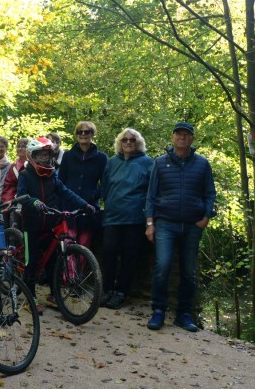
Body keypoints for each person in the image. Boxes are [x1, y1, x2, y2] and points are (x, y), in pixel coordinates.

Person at [145, 122, 217, 332]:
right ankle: (158, 312)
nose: (182, 138)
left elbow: (210, 193)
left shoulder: (202, 164)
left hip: (193, 225)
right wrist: (150, 223)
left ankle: (183, 315)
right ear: (173, 137)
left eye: (187, 135)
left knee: (188, 272)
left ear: (192, 139)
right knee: (163, 266)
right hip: (165, 223)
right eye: (179, 134)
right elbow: (151, 195)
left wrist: (206, 216)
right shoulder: (160, 162)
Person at [17, 137, 94, 315]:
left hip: (51, 224)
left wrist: (84, 205)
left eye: (47, 155)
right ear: (32, 156)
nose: (44, 159)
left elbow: (65, 192)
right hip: (32, 225)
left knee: (53, 261)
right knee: (32, 261)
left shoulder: (52, 175)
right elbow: (21, 195)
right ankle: (30, 297)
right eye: (40, 155)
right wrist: (33, 201)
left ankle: (54, 295)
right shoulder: (25, 175)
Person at [99, 128, 154, 309]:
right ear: (120, 143)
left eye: (132, 140)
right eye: (125, 140)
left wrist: (149, 219)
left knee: (130, 256)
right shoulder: (112, 162)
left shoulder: (147, 163)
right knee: (109, 252)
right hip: (113, 216)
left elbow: (152, 191)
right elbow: (105, 187)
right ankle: (107, 290)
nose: (128, 142)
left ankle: (121, 292)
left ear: (138, 143)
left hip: (134, 217)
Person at [58, 121, 107, 252]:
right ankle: (69, 273)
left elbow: (105, 185)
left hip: (89, 208)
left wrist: (93, 195)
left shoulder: (101, 158)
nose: (83, 134)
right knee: (68, 247)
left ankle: (81, 273)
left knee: (84, 248)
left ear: (92, 134)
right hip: (69, 208)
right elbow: (60, 181)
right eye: (80, 132)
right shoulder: (68, 156)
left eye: (87, 132)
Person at [0, 137, 28, 228]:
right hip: (13, 199)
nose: (20, 148)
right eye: (18, 146)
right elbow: (8, 184)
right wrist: (8, 199)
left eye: (23, 146)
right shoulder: (13, 166)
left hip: (27, 198)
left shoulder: (32, 164)